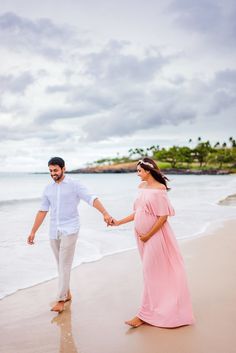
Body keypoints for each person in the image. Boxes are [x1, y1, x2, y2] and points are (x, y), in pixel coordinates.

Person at [111, 157, 195, 328]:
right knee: (152, 273)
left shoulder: (159, 189)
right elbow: (138, 212)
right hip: (142, 238)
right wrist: (119, 222)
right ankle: (154, 309)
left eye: (139, 171)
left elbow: (163, 217)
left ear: (148, 171)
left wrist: (149, 235)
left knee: (150, 272)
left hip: (155, 237)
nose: (137, 174)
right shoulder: (141, 187)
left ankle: (144, 314)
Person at [27, 157, 112, 313]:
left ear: (64, 169)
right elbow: (43, 210)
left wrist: (105, 213)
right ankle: (66, 292)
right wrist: (33, 231)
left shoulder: (75, 185)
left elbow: (91, 198)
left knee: (64, 264)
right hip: (54, 230)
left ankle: (61, 299)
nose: (53, 173)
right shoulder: (48, 189)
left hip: (70, 229)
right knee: (60, 264)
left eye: (56, 170)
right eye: (50, 171)